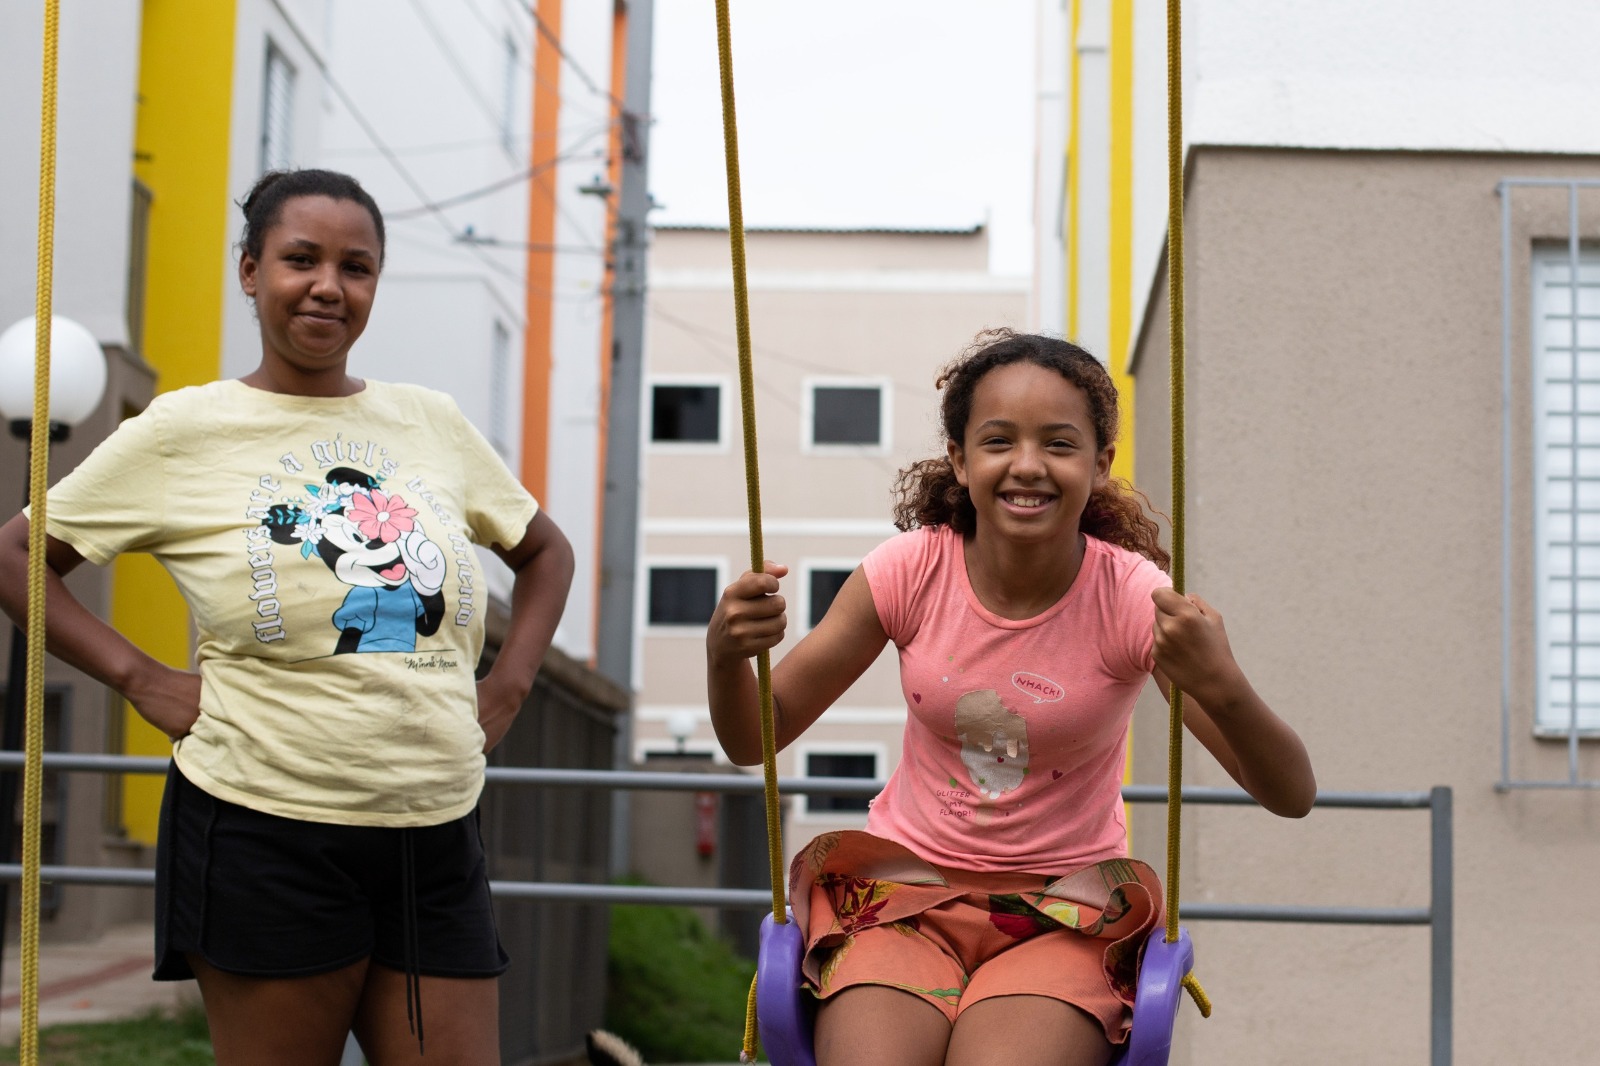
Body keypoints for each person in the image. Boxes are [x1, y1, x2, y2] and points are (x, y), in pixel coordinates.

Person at [0, 168, 574, 1066]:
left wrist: (510, 682)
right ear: (250, 272)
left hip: (435, 826)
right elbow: (18, 554)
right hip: (266, 822)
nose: (328, 286)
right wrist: (139, 677)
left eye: (357, 267)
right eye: (300, 259)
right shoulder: (186, 428)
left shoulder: (430, 421)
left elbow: (545, 550)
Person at [706, 330, 1315, 1066]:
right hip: (904, 897)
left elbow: (1289, 792)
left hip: (1065, 916)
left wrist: (1226, 686)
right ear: (961, 460)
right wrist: (725, 655)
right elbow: (756, 737)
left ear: (1100, 464)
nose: (1028, 466)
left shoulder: (1128, 600)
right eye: (999, 441)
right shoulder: (909, 573)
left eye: (1059, 444)